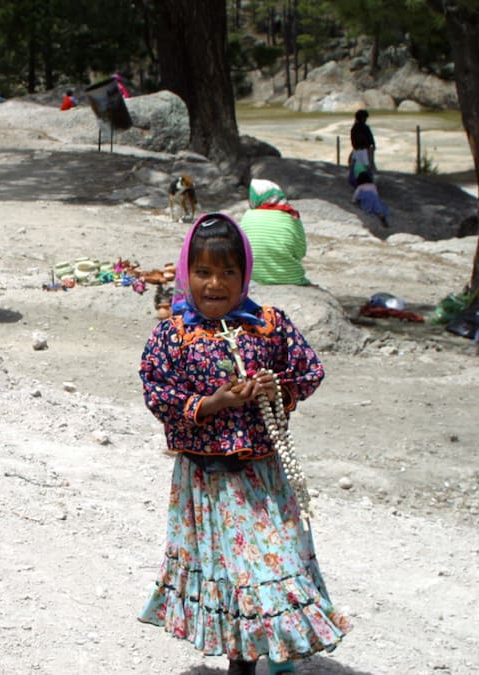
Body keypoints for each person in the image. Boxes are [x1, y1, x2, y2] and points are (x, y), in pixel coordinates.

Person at [138, 214, 350, 675]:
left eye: (228, 272)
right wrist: (210, 404)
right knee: (238, 575)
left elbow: (309, 370)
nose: (216, 284)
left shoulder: (268, 326)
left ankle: (267, 652)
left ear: (245, 274)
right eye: (204, 272)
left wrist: (279, 389)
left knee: (268, 568)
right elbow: (156, 391)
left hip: (263, 477)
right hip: (209, 483)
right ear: (186, 274)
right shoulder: (172, 335)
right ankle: (248, 661)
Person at [238, 179, 310, 286]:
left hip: (253, 278)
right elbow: (301, 251)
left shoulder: (248, 216)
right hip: (290, 279)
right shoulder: (292, 216)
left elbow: (241, 249)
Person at [349, 109, 376, 173]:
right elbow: (370, 138)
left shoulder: (354, 128)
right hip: (365, 149)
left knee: (358, 164)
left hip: (357, 149)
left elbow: (353, 140)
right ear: (363, 118)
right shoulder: (365, 127)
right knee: (368, 165)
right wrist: (373, 145)